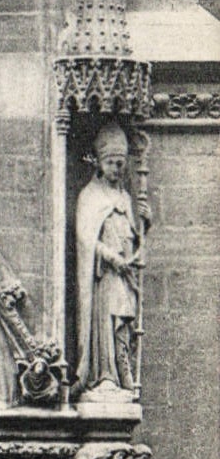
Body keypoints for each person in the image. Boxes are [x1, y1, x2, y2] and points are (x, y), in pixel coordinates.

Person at [75, 123, 141, 396]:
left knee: (124, 323)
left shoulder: (124, 196)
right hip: (105, 275)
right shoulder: (90, 196)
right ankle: (105, 374)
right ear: (99, 164)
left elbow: (133, 234)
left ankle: (123, 372)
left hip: (125, 274)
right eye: (112, 163)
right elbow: (85, 237)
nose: (117, 169)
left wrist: (144, 223)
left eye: (121, 163)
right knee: (109, 320)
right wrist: (112, 258)